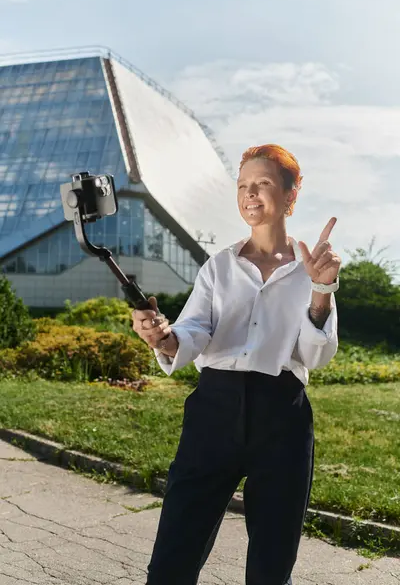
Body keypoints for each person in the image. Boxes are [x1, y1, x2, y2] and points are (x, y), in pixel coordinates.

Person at [132, 144, 341, 585]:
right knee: (173, 556)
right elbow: (191, 332)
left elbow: (315, 355)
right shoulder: (218, 268)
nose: (250, 195)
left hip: (281, 416)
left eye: (263, 184)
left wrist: (322, 290)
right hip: (214, 410)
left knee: (271, 563)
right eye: (243, 186)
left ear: (291, 195)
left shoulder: (311, 271)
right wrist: (162, 337)